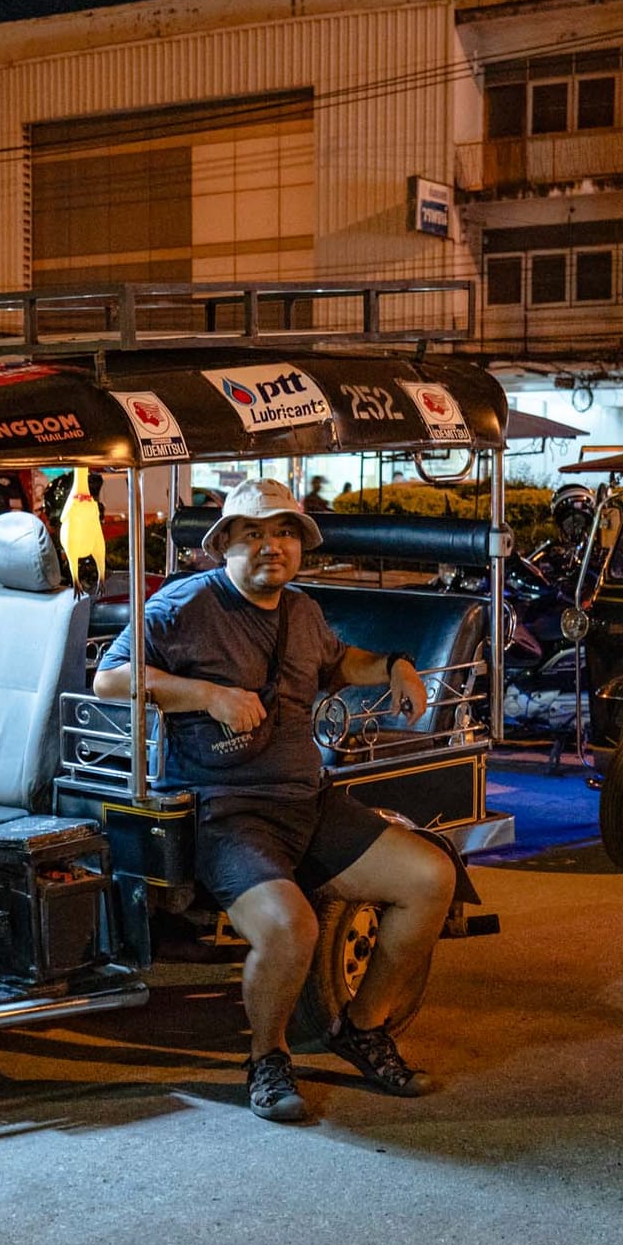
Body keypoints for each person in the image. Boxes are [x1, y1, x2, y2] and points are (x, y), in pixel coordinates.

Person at [94, 478, 459, 1122]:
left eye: (285, 532)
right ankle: (267, 1059)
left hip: (305, 801)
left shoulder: (302, 611)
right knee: (293, 927)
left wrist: (397, 665)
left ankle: (363, 1028)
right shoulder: (183, 606)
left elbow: (341, 661)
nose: (273, 547)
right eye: (255, 533)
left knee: (430, 876)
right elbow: (111, 678)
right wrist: (206, 695)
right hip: (223, 808)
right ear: (225, 543)